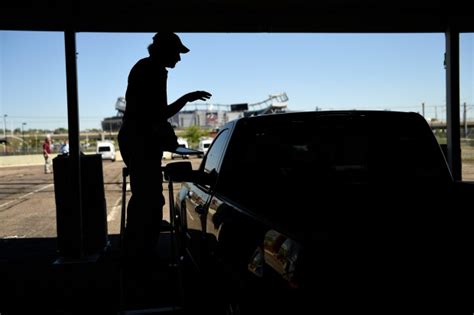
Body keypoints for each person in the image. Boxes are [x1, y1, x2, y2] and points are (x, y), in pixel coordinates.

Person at [118, 32, 211, 259]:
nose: (179, 59)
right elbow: (158, 114)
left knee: (146, 196)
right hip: (140, 142)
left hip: (137, 140)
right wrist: (187, 98)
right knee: (147, 199)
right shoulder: (152, 71)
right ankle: (140, 254)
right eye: (177, 53)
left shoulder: (148, 68)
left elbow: (155, 115)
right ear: (164, 51)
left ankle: (139, 250)